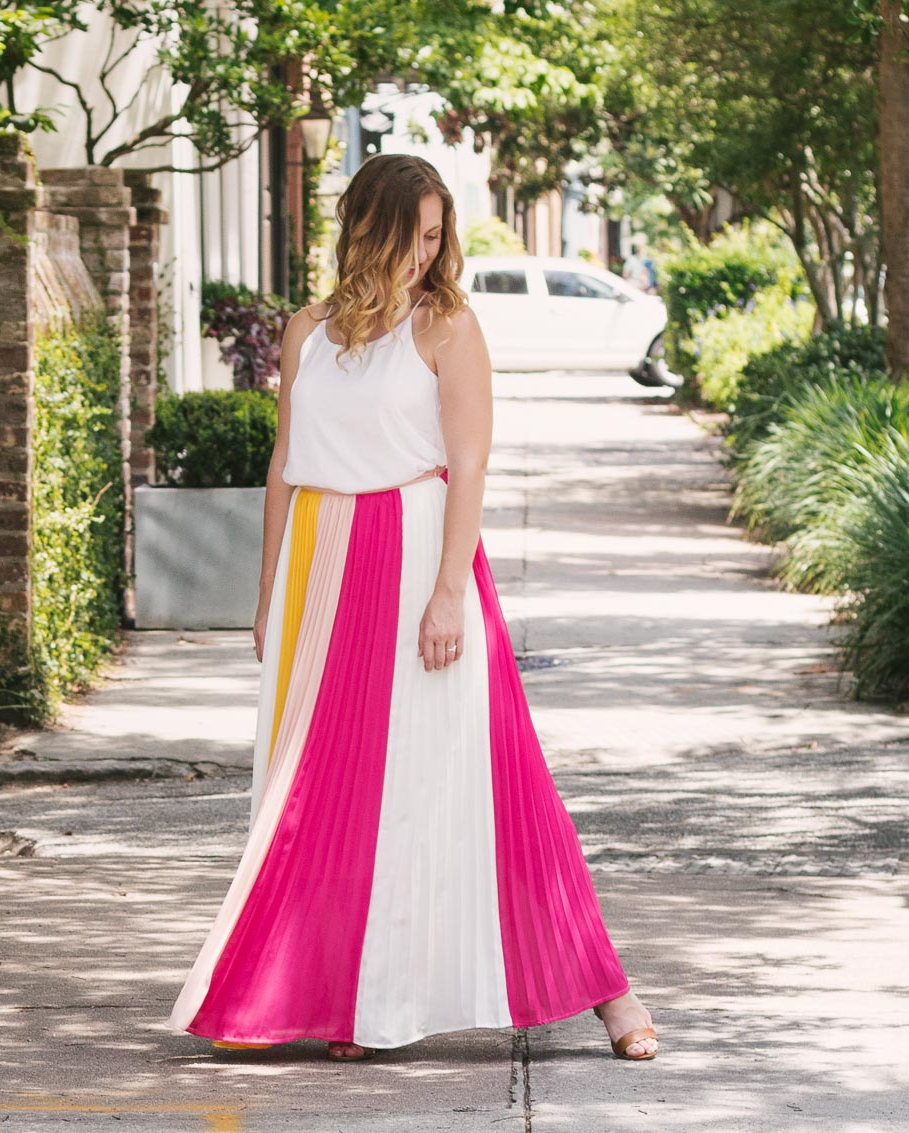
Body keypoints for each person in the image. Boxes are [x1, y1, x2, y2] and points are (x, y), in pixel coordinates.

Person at [166, 154, 660, 1064]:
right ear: (367, 229)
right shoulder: (306, 330)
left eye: (438, 235)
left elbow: (468, 464)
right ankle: (350, 997)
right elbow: (284, 465)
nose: (425, 254)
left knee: (491, 777)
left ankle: (609, 992)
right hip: (321, 563)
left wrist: (446, 591)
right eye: (412, 235)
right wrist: (269, 592)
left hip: (415, 558)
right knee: (323, 794)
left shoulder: (447, 325)